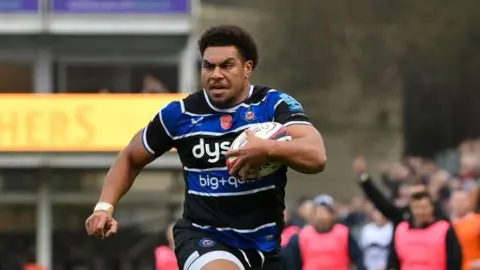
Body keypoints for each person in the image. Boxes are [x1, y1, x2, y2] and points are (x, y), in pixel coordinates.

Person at [84, 25, 327, 270]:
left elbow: (316, 156)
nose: (216, 74)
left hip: (264, 245)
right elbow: (130, 157)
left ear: (247, 69)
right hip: (203, 238)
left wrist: (268, 149)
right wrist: (104, 207)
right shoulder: (180, 114)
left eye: (227, 65)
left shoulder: (273, 105)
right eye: (208, 66)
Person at [352, 156, 448, 224]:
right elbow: (382, 203)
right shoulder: (404, 215)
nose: (420, 211)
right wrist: (363, 176)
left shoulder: (439, 219)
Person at [283, 195, 366, 270]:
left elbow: (358, 259)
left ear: (333, 215)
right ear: (313, 215)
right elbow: (293, 264)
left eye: (326, 212)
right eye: (319, 211)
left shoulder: (344, 234)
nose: (322, 215)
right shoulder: (300, 237)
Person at [387, 191, 462, 270]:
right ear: (411, 209)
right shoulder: (401, 230)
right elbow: (393, 260)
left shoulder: (444, 229)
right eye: (417, 208)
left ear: (432, 208)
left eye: (424, 207)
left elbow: (455, 260)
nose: (421, 212)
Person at [450, 189, 480, 270]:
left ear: (468, 202)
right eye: (456, 201)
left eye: (462, 200)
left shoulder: (477, 221)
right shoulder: (446, 226)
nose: (459, 204)